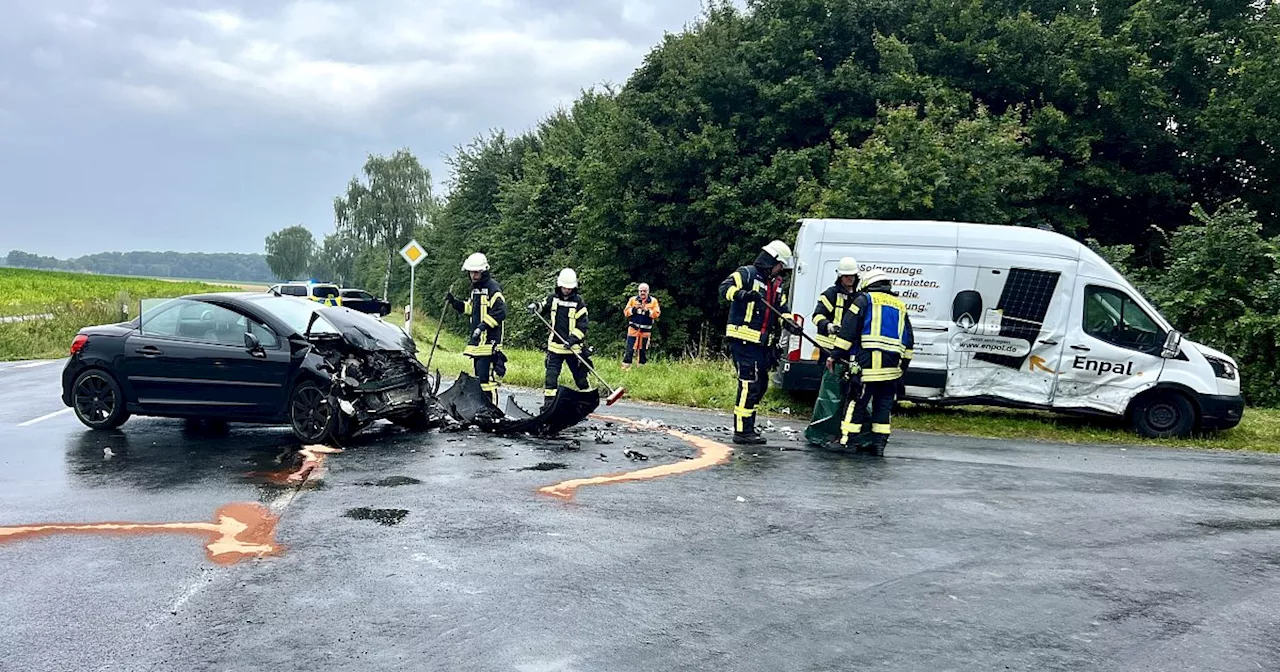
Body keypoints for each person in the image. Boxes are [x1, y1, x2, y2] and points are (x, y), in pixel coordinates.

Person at [718, 240, 803, 445]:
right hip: (743, 339)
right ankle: (742, 431)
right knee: (750, 384)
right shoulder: (746, 273)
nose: (780, 270)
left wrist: (789, 322)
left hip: (761, 343)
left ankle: (748, 426)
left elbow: (782, 309)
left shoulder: (776, 284)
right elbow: (725, 288)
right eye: (779, 266)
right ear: (770, 261)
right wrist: (743, 294)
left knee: (761, 384)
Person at [831, 268, 914, 456]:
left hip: (866, 367)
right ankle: (878, 445)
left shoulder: (864, 300)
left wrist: (835, 355)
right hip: (891, 370)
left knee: (856, 403)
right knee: (883, 407)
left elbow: (848, 330)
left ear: (867, 284)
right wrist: (904, 368)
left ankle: (848, 443)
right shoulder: (900, 306)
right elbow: (909, 339)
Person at [805, 257, 862, 445]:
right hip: (829, 349)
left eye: (852, 276)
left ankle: (842, 429)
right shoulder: (830, 294)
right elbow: (817, 315)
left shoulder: (860, 296)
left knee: (849, 392)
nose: (849, 279)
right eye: (846, 276)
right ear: (840, 276)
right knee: (830, 390)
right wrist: (828, 325)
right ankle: (826, 428)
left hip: (849, 351)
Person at [445, 252, 506, 406]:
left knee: (487, 381)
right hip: (479, 343)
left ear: (483, 271)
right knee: (480, 379)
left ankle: (493, 411)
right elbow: (470, 308)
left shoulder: (493, 288)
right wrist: (455, 303)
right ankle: (483, 409)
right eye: (471, 272)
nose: (473, 275)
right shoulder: (476, 290)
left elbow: (500, 311)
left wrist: (483, 325)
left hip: (490, 341)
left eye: (476, 272)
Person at [528, 268, 593, 409]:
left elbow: (583, 325)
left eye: (569, 288)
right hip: (555, 347)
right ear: (559, 285)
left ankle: (588, 404)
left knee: (580, 379)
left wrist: (572, 340)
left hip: (573, 348)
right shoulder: (553, 298)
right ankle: (548, 406)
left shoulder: (578, 303)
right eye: (564, 287)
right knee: (551, 378)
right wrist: (535, 307)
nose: (566, 290)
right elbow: (542, 306)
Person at [622, 283, 661, 369]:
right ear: (638, 291)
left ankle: (641, 367)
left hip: (645, 330)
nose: (642, 293)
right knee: (629, 348)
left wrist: (647, 310)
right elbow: (626, 312)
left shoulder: (653, 301)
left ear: (648, 291)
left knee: (642, 350)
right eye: (641, 291)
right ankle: (626, 367)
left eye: (644, 291)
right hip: (633, 329)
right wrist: (635, 309)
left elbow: (656, 314)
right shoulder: (633, 300)